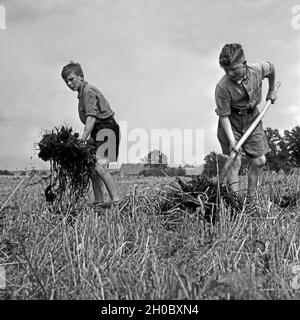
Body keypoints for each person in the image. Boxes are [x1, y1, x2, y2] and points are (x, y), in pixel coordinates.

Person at [215, 43, 276, 204]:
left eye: (234, 69)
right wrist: (232, 141)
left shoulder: (257, 69)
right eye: (226, 70)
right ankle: (233, 203)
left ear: (244, 63)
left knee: (259, 161)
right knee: (235, 159)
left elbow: (272, 69)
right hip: (231, 120)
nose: (230, 73)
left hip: (252, 118)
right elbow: (224, 116)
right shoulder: (222, 87)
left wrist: (271, 91)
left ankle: (251, 200)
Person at [61, 61, 120, 208]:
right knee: (91, 167)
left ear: (81, 76)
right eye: (66, 81)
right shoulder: (81, 95)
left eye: (71, 79)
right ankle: (99, 203)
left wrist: (81, 141)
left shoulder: (87, 92)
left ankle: (117, 202)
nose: (69, 83)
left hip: (107, 130)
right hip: (98, 132)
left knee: (99, 167)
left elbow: (91, 118)